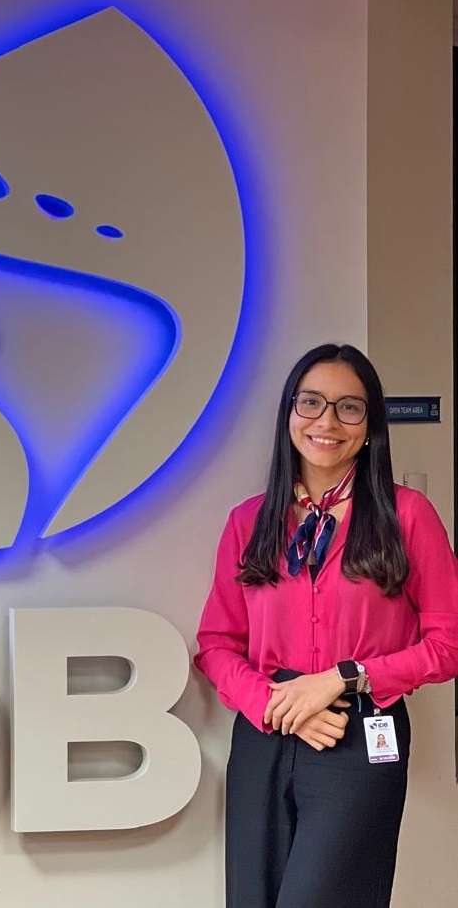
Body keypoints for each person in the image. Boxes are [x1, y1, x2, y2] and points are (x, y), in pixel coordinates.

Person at [194, 343, 458, 908]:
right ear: (289, 412)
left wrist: (343, 677)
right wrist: (278, 705)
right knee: (254, 897)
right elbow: (216, 644)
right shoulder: (249, 521)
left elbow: (448, 643)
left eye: (349, 407)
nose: (327, 422)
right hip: (264, 734)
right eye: (311, 402)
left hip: (359, 732)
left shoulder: (407, 515)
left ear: (371, 424)